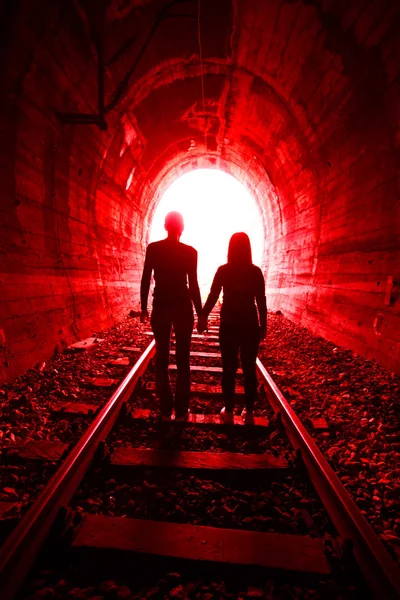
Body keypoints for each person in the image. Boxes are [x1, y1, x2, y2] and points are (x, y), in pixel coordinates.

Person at [198, 232, 266, 424]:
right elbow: (261, 300)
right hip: (250, 323)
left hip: (229, 323)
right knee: (249, 368)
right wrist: (264, 325)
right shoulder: (255, 272)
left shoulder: (223, 270)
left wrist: (203, 315)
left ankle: (228, 412)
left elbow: (212, 295)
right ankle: (250, 413)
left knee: (228, 368)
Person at [140, 211, 202, 422]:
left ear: (165, 226)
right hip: (183, 307)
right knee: (183, 361)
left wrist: (143, 307)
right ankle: (182, 412)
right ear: (182, 228)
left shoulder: (154, 249)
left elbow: (146, 278)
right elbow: (193, 285)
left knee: (162, 360)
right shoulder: (190, 252)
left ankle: (166, 411)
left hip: (162, 306)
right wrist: (201, 314)